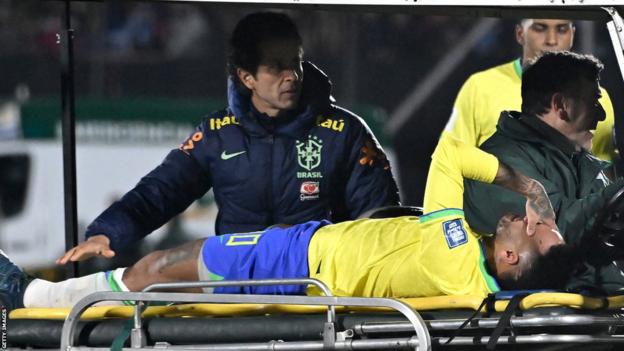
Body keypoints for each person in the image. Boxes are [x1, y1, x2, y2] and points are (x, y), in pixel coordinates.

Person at [0, 135, 574, 311]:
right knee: (165, 274)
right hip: (312, 246)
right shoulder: (467, 256)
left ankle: (34, 298)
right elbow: (448, 157)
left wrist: (534, 192)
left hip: (301, 263)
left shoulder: (462, 265)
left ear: (510, 258)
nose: (528, 216)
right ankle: (40, 296)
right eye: (536, 214)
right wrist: (536, 196)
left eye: (534, 226)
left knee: (160, 268)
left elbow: (451, 154)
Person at [57, 12, 400, 265]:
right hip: (235, 282)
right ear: (247, 77)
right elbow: (160, 192)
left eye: (294, 63)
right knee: (156, 269)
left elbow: (381, 219)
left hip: (317, 282)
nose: (291, 76)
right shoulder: (216, 133)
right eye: (276, 67)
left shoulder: (345, 132)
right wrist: (107, 233)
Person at [458, 51, 624, 294]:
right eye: (593, 102)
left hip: (600, 308)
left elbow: (607, 227)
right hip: (545, 320)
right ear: (560, 106)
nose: (601, 114)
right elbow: (559, 231)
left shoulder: (581, 163)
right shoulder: (498, 164)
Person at [444, 19, 616, 161]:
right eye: (539, 28)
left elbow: (604, 172)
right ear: (520, 34)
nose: (551, 40)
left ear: (572, 34)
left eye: (562, 29)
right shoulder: (481, 87)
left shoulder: (599, 98)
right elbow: (449, 161)